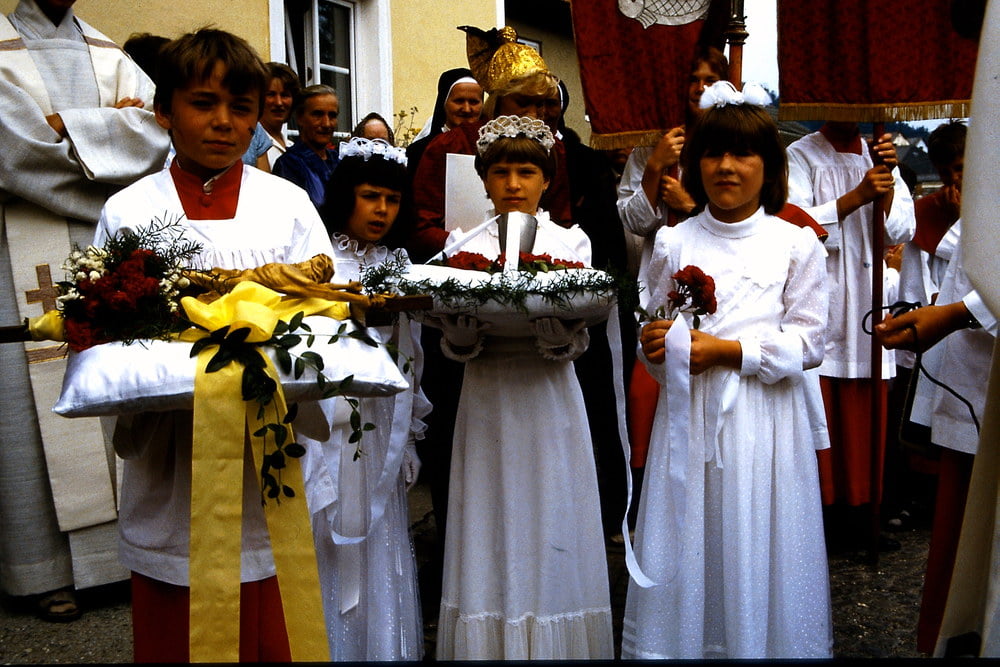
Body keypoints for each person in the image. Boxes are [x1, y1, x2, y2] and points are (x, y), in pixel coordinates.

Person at [93, 28, 335, 662]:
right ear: (164, 110)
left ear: (257, 117)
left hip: (265, 451)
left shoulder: (287, 206)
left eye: (241, 107)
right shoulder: (129, 212)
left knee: (270, 622)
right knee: (179, 623)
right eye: (203, 103)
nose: (224, 122)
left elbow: (323, 316)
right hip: (173, 454)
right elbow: (109, 339)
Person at [622, 82, 832, 659]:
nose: (726, 167)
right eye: (713, 154)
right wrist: (655, 346)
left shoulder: (795, 244)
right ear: (695, 163)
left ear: (770, 166)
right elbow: (654, 331)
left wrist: (730, 352)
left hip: (765, 423)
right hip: (690, 423)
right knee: (694, 535)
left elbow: (810, 341)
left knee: (756, 537)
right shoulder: (673, 243)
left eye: (743, 154)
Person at [0, 0, 170, 622]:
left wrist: (65, 129)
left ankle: (119, 560)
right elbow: (13, 156)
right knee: (27, 407)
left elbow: (157, 138)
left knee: (112, 389)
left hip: (104, 244)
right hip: (16, 249)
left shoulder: (111, 54)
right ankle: (41, 570)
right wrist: (107, 132)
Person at [431, 115, 613, 660]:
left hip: (548, 396)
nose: (513, 184)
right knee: (488, 515)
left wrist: (560, 336)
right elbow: (448, 331)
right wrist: (460, 336)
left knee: (550, 511)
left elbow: (582, 331)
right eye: (501, 172)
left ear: (547, 179)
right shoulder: (462, 244)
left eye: (527, 172)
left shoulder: (570, 242)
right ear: (484, 179)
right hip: (486, 393)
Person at [300, 136, 429, 661]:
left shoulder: (398, 264)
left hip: (379, 423)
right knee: (329, 526)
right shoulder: (318, 260)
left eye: (392, 200)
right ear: (345, 196)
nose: (381, 210)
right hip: (328, 420)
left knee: (377, 532)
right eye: (370, 196)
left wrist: (410, 433)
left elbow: (411, 357)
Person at [786, 120, 915, 547]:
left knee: (867, 407)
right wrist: (857, 196)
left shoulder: (876, 154)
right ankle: (828, 514)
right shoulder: (801, 155)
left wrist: (888, 182)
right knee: (825, 403)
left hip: (867, 294)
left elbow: (902, 230)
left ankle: (866, 510)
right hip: (826, 292)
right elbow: (793, 223)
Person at [404, 67, 483, 181]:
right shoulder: (418, 151)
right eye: (459, 101)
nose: (466, 109)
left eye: (474, 102)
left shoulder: (492, 149)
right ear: (444, 103)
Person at [272, 83, 341, 209]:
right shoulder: (289, 165)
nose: (326, 124)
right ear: (300, 118)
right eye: (317, 114)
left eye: (332, 116)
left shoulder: (338, 161)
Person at [254, 62, 300, 172]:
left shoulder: (291, 145)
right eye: (271, 94)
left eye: (285, 95)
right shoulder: (252, 145)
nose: (279, 102)